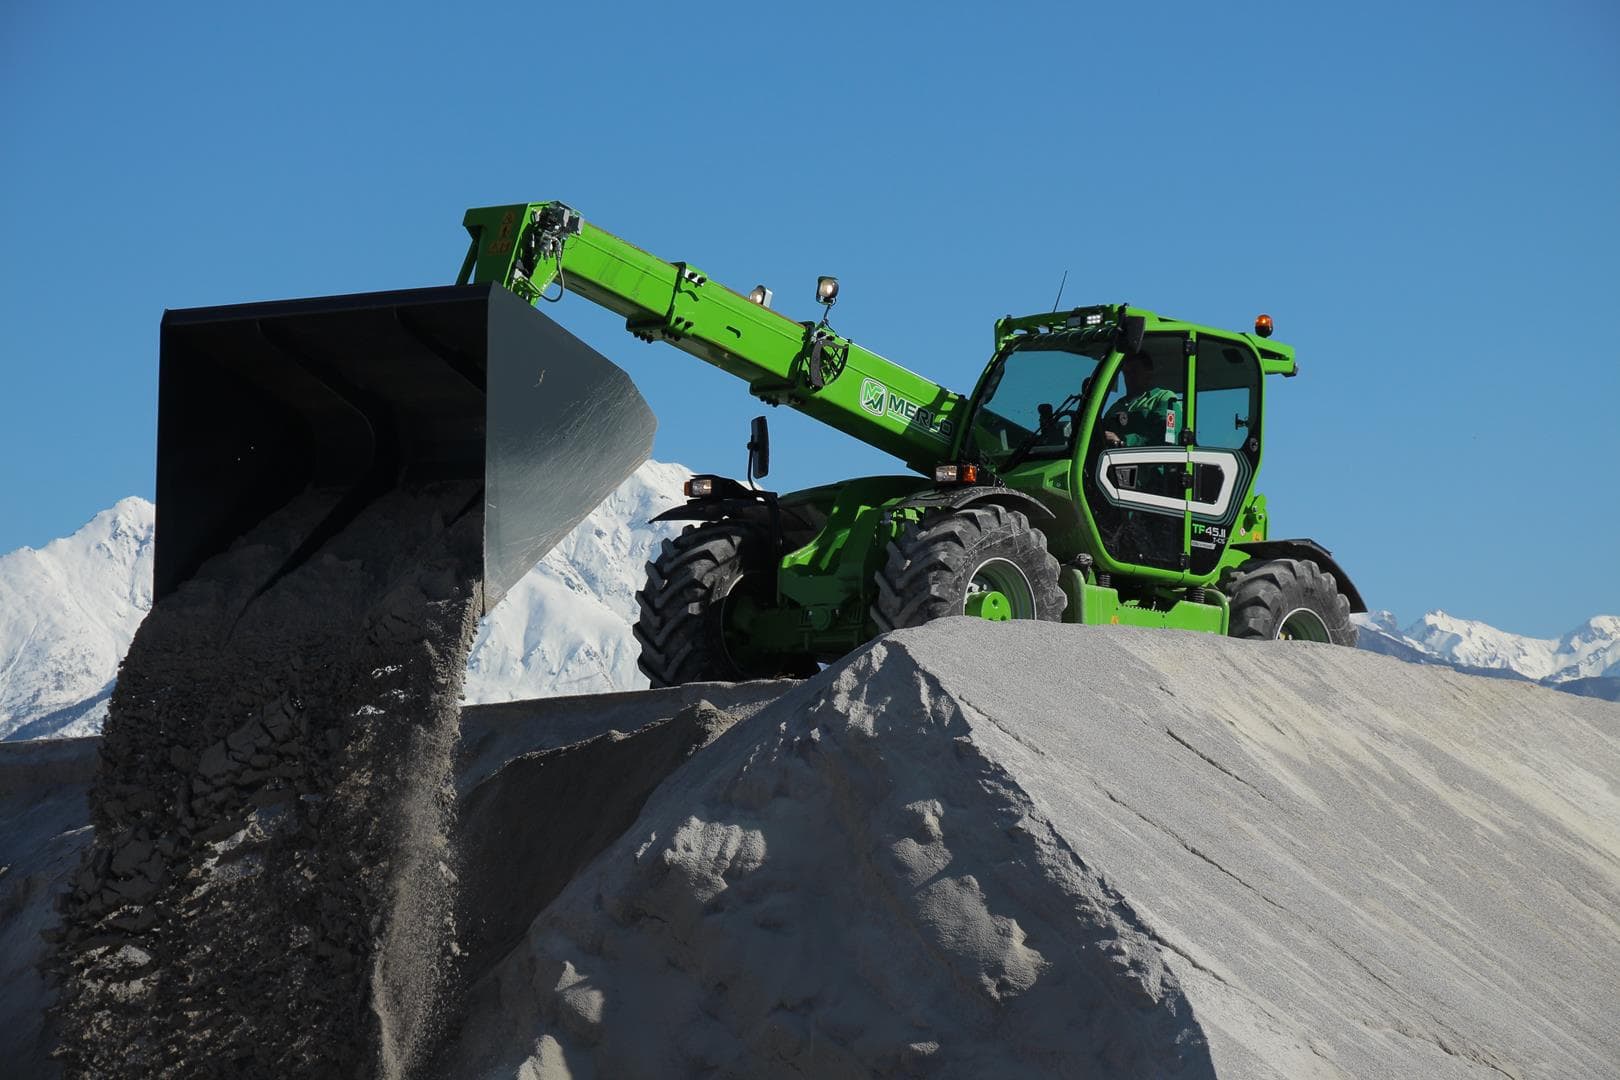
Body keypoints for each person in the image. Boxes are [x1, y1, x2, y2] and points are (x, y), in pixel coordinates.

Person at [1101, 351, 1181, 448]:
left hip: (1152, 461)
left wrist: (1123, 441)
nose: (1130, 377)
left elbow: (1168, 437)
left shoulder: (1164, 398)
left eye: (1135, 371)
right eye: (1126, 372)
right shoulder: (1115, 408)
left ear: (1149, 374)